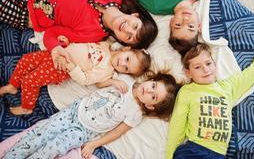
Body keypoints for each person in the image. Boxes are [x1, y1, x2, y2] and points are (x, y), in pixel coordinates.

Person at [0, 0, 158, 68]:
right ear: (135, 15)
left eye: (129, 37)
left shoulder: (92, 35)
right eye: (135, 27)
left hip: (24, 12)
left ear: (123, 41)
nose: (127, 29)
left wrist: (55, 48)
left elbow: (52, 33)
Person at [165, 25, 254, 159]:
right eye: (197, 67)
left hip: (219, 155)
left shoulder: (228, 87)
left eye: (208, 64)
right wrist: (169, 156)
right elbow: (177, 125)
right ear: (188, 73)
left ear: (214, 63)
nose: (206, 70)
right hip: (194, 150)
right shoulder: (188, 91)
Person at [3, 73, 180, 159]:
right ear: (151, 80)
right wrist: (112, 81)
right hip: (73, 112)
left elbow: (117, 132)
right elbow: (99, 82)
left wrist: (94, 144)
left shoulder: (136, 114)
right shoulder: (126, 80)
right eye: (154, 85)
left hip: (85, 132)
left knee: (53, 148)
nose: (149, 90)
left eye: (153, 96)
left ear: (150, 105)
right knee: (40, 134)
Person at [0, 39, 151, 115]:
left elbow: (86, 80)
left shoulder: (107, 70)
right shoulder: (105, 44)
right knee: (26, 60)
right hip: (58, 54)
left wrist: (72, 68)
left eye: (126, 69)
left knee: (31, 80)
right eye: (127, 59)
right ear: (126, 49)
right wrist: (69, 43)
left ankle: (27, 107)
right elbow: (83, 45)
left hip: (61, 68)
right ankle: (13, 85)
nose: (122, 64)